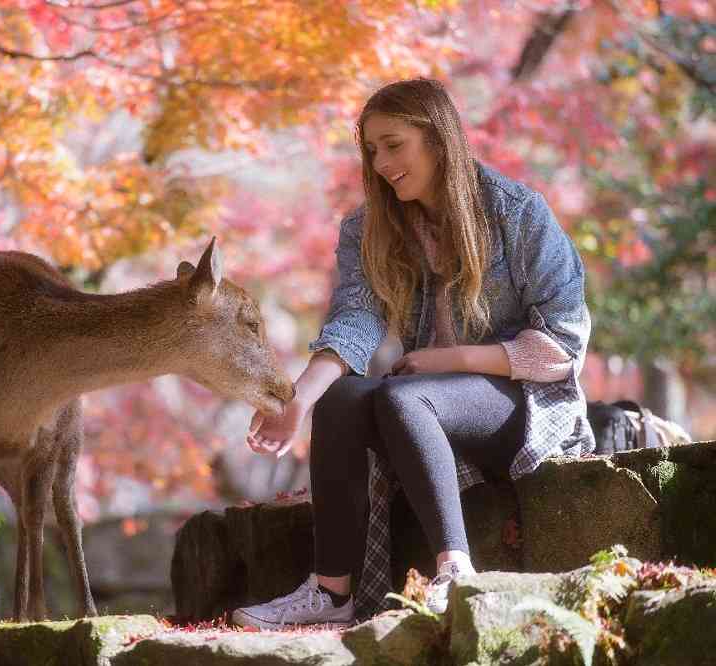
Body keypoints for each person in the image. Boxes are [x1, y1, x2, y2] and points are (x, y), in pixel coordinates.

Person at [231, 78, 596, 630]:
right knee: (343, 399)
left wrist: (452, 360)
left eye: (393, 144)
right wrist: (297, 400)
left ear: (438, 139)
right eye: (371, 149)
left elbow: (563, 346)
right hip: (419, 401)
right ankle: (330, 593)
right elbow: (356, 320)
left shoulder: (518, 213)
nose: (380, 162)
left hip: (523, 401)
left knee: (404, 398)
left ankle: (455, 572)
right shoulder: (367, 228)